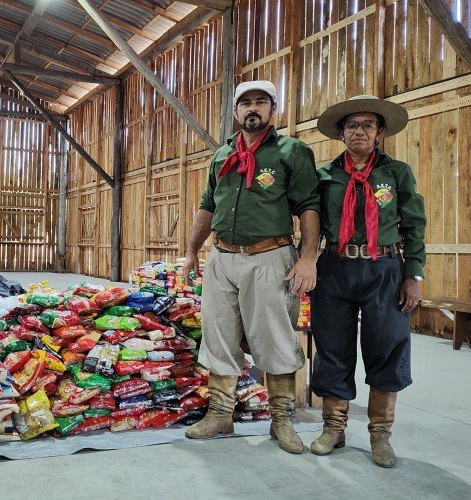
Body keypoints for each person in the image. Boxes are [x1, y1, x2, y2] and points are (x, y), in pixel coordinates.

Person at [181, 80, 320, 454]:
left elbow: (309, 205)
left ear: (274, 110)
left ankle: (282, 420)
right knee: (219, 336)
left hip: (268, 257)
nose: (252, 108)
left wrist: (308, 258)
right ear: (235, 111)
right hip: (221, 258)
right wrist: (193, 250)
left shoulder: (292, 152)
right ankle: (220, 415)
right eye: (246, 103)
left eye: (261, 102)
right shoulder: (222, 154)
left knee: (274, 337)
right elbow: (207, 206)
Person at [310, 95, 426, 468]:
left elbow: (414, 226)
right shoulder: (325, 175)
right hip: (335, 268)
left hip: (385, 270)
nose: (359, 131)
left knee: (387, 345)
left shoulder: (396, 173)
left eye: (368, 125)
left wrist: (413, 274)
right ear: (341, 133)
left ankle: (380, 434)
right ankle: (333, 428)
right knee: (331, 346)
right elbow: (309, 223)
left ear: (379, 133)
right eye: (352, 125)